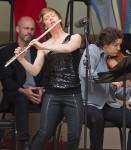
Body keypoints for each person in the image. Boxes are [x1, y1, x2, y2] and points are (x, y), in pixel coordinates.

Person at [14, 8, 84, 150]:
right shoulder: (44, 46)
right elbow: (35, 70)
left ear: (60, 20)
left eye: (53, 15)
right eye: (47, 18)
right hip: (52, 94)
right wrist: (21, 59)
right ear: (45, 25)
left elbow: (68, 48)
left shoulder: (75, 37)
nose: (51, 18)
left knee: (75, 136)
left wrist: (43, 46)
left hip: (73, 93)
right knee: (44, 133)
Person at [79, 27, 131, 150]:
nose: (119, 49)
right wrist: (108, 78)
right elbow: (85, 72)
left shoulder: (112, 60)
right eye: (116, 45)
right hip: (89, 104)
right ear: (105, 43)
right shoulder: (92, 50)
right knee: (97, 119)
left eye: (119, 45)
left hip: (108, 105)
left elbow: (117, 91)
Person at [0, 16, 48, 150]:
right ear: (17, 29)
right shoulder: (6, 52)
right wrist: (24, 91)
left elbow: (45, 76)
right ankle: (24, 143)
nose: (30, 32)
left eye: (32, 29)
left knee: (57, 99)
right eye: (26, 28)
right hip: (16, 93)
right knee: (22, 99)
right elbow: (6, 80)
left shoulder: (38, 52)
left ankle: (38, 140)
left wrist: (42, 89)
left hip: (37, 92)